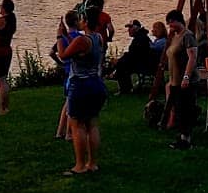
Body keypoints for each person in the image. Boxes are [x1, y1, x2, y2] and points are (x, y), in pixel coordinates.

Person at [56, 14, 106, 173]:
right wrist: (66, 36)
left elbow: (64, 56)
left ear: (85, 22)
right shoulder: (97, 38)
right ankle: (92, 163)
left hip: (80, 85)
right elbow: (79, 50)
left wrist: (59, 37)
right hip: (96, 83)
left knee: (77, 125)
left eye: (82, 19)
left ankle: (79, 165)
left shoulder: (82, 40)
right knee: (92, 123)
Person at [163, 9, 198, 150]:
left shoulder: (187, 36)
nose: (170, 26)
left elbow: (192, 57)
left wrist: (186, 77)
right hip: (174, 80)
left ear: (178, 21)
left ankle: (186, 139)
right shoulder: (174, 36)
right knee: (178, 109)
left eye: (171, 23)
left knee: (186, 109)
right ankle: (181, 135)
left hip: (185, 81)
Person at [51, 11, 79, 141]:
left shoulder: (62, 39)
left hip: (67, 71)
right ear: (77, 21)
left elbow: (52, 52)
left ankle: (59, 131)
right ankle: (68, 133)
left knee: (67, 102)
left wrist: (61, 64)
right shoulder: (78, 38)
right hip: (75, 73)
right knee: (71, 104)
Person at [112, 19, 157, 95]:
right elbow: (133, 54)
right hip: (143, 62)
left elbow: (133, 55)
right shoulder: (141, 37)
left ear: (136, 28)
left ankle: (124, 89)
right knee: (122, 62)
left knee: (121, 65)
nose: (128, 30)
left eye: (130, 28)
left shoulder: (140, 39)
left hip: (143, 64)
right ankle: (116, 76)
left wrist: (119, 60)